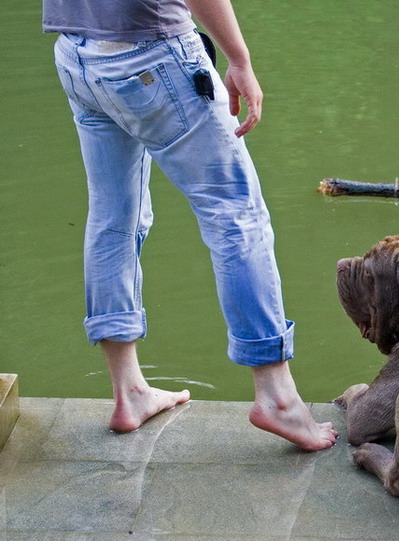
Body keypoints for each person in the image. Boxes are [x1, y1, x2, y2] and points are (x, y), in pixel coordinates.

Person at [42, 0, 337, 450]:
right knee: (236, 217)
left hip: (77, 55)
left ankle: (129, 391)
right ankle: (277, 398)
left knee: (112, 217)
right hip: (152, 54)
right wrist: (239, 60)